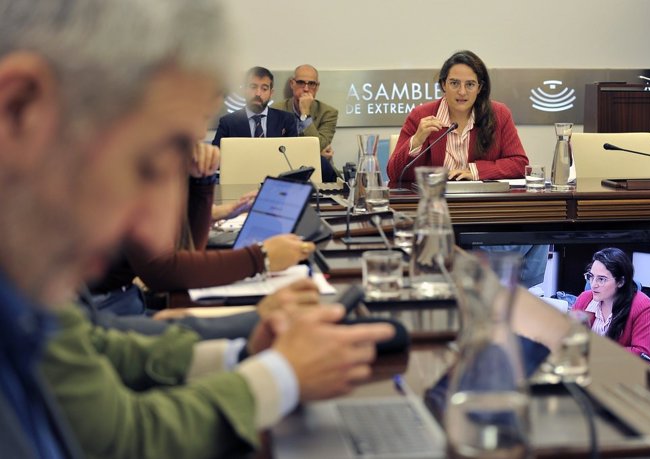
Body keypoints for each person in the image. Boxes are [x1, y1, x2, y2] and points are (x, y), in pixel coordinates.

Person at [0, 1, 395, 457]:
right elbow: (120, 438)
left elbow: (97, 347)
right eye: (148, 166)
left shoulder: (31, 288)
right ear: (18, 109)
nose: (156, 228)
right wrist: (278, 377)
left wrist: (241, 354)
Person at [89, 140, 315, 315]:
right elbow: (161, 270)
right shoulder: (130, 162)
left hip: (128, 299)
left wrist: (203, 182)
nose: (200, 134)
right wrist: (261, 257)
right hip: (103, 309)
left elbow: (188, 252)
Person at [387, 50, 528, 183]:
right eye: (454, 83)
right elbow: (393, 174)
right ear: (443, 85)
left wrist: (476, 171)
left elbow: (520, 164)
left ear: (479, 88)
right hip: (435, 200)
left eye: (470, 84)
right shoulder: (421, 116)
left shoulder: (499, 114)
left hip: (483, 203)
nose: (462, 92)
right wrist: (416, 140)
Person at [571, 248, 650, 357]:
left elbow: (643, 354)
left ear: (620, 282)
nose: (593, 285)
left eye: (601, 279)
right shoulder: (584, 299)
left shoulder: (642, 305)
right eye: (591, 277)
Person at [272, 64, 340, 182]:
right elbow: (274, 148)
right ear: (292, 84)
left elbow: (320, 145)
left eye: (311, 84)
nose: (306, 89)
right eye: (301, 83)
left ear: (317, 87)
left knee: (323, 164)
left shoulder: (328, 112)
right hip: (283, 169)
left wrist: (305, 114)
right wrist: (314, 153)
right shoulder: (276, 110)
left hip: (319, 171)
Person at [211, 66, 297, 144]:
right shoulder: (228, 123)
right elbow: (217, 157)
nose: (258, 93)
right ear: (244, 90)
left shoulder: (286, 120)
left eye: (264, 89)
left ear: (271, 93)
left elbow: (294, 154)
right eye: (253, 87)